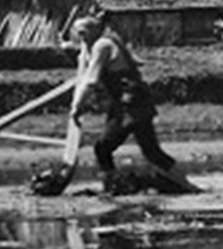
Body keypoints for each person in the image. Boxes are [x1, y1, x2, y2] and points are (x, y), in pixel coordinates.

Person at [67, 16, 180, 192]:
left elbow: (91, 80)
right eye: (78, 34)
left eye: (84, 33)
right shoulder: (110, 41)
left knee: (102, 148)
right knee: (152, 152)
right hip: (137, 101)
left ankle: (111, 186)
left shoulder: (101, 46)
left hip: (129, 104)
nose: (81, 38)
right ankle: (186, 183)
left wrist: (76, 106)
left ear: (96, 30)